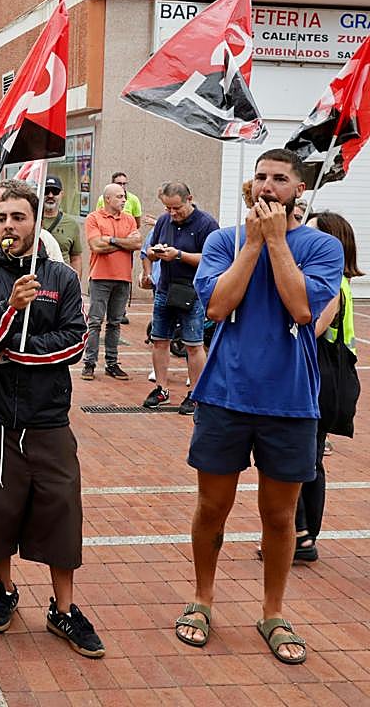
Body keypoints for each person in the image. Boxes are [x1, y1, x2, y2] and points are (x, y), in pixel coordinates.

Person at [173, 149, 343, 665]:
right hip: (225, 396)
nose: (268, 186)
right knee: (212, 507)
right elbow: (218, 306)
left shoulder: (323, 245)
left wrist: (276, 243)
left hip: (290, 402)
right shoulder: (223, 240)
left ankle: (273, 612)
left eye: (281, 179)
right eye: (261, 177)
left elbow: (301, 306)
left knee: (279, 515)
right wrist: (252, 244)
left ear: (299, 191)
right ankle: (202, 599)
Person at [0, 179, 102, 657]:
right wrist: (11, 309)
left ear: (35, 222)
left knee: (62, 512)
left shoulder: (60, 278)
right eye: (1, 218)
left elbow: (74, 342)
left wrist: (16, 352)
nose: (8, 227)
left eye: (18, 217)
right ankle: (3, 590)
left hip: (47, 419)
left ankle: (63, 609)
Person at [289, 211, 360, 563]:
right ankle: (301, 534)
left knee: (305, 460)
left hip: (323, 380)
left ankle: (302, 537)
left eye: (313, 235)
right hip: (324, 377)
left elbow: (313, 328)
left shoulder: (334, 284)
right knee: (307, 459)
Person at [141, 183, 219, 415]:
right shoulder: (165, 221)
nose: (172, 213)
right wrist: (154, 258)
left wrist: (180, 255)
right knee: (159, 339)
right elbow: (148, 251)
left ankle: (195, 393)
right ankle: (161, 388)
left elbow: (213, 259)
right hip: (165, 288)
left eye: (176, 208)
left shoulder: (207, 224)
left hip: (192, 291)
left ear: (190, 199)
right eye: (168, 208)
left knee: (193, 344)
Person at [81, 183, 141, 380]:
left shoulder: (130, 219)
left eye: (124, 196)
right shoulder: (93, 218)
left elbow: (137, 243)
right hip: (100, 277)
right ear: (108, 199)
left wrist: (112, 240)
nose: (124, 200)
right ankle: (89, 363)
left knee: (115, 322)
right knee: (95, 322)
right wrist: (124, 243)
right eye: (119, 197)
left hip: (123, 278)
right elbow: (96, 246)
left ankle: (112, 363)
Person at [0, 190, 64, 273]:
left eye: (18, 218)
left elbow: (59, 273)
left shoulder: (44, 237)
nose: (8, 225)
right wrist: (0, 242)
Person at [41, 177, 83, 275]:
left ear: (61, 194)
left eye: (55, 191)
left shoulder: (71, 224)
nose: (50, 195)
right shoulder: (30, 221)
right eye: (46, 191)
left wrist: (75, 284)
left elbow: (76, 258)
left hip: (61, 281)